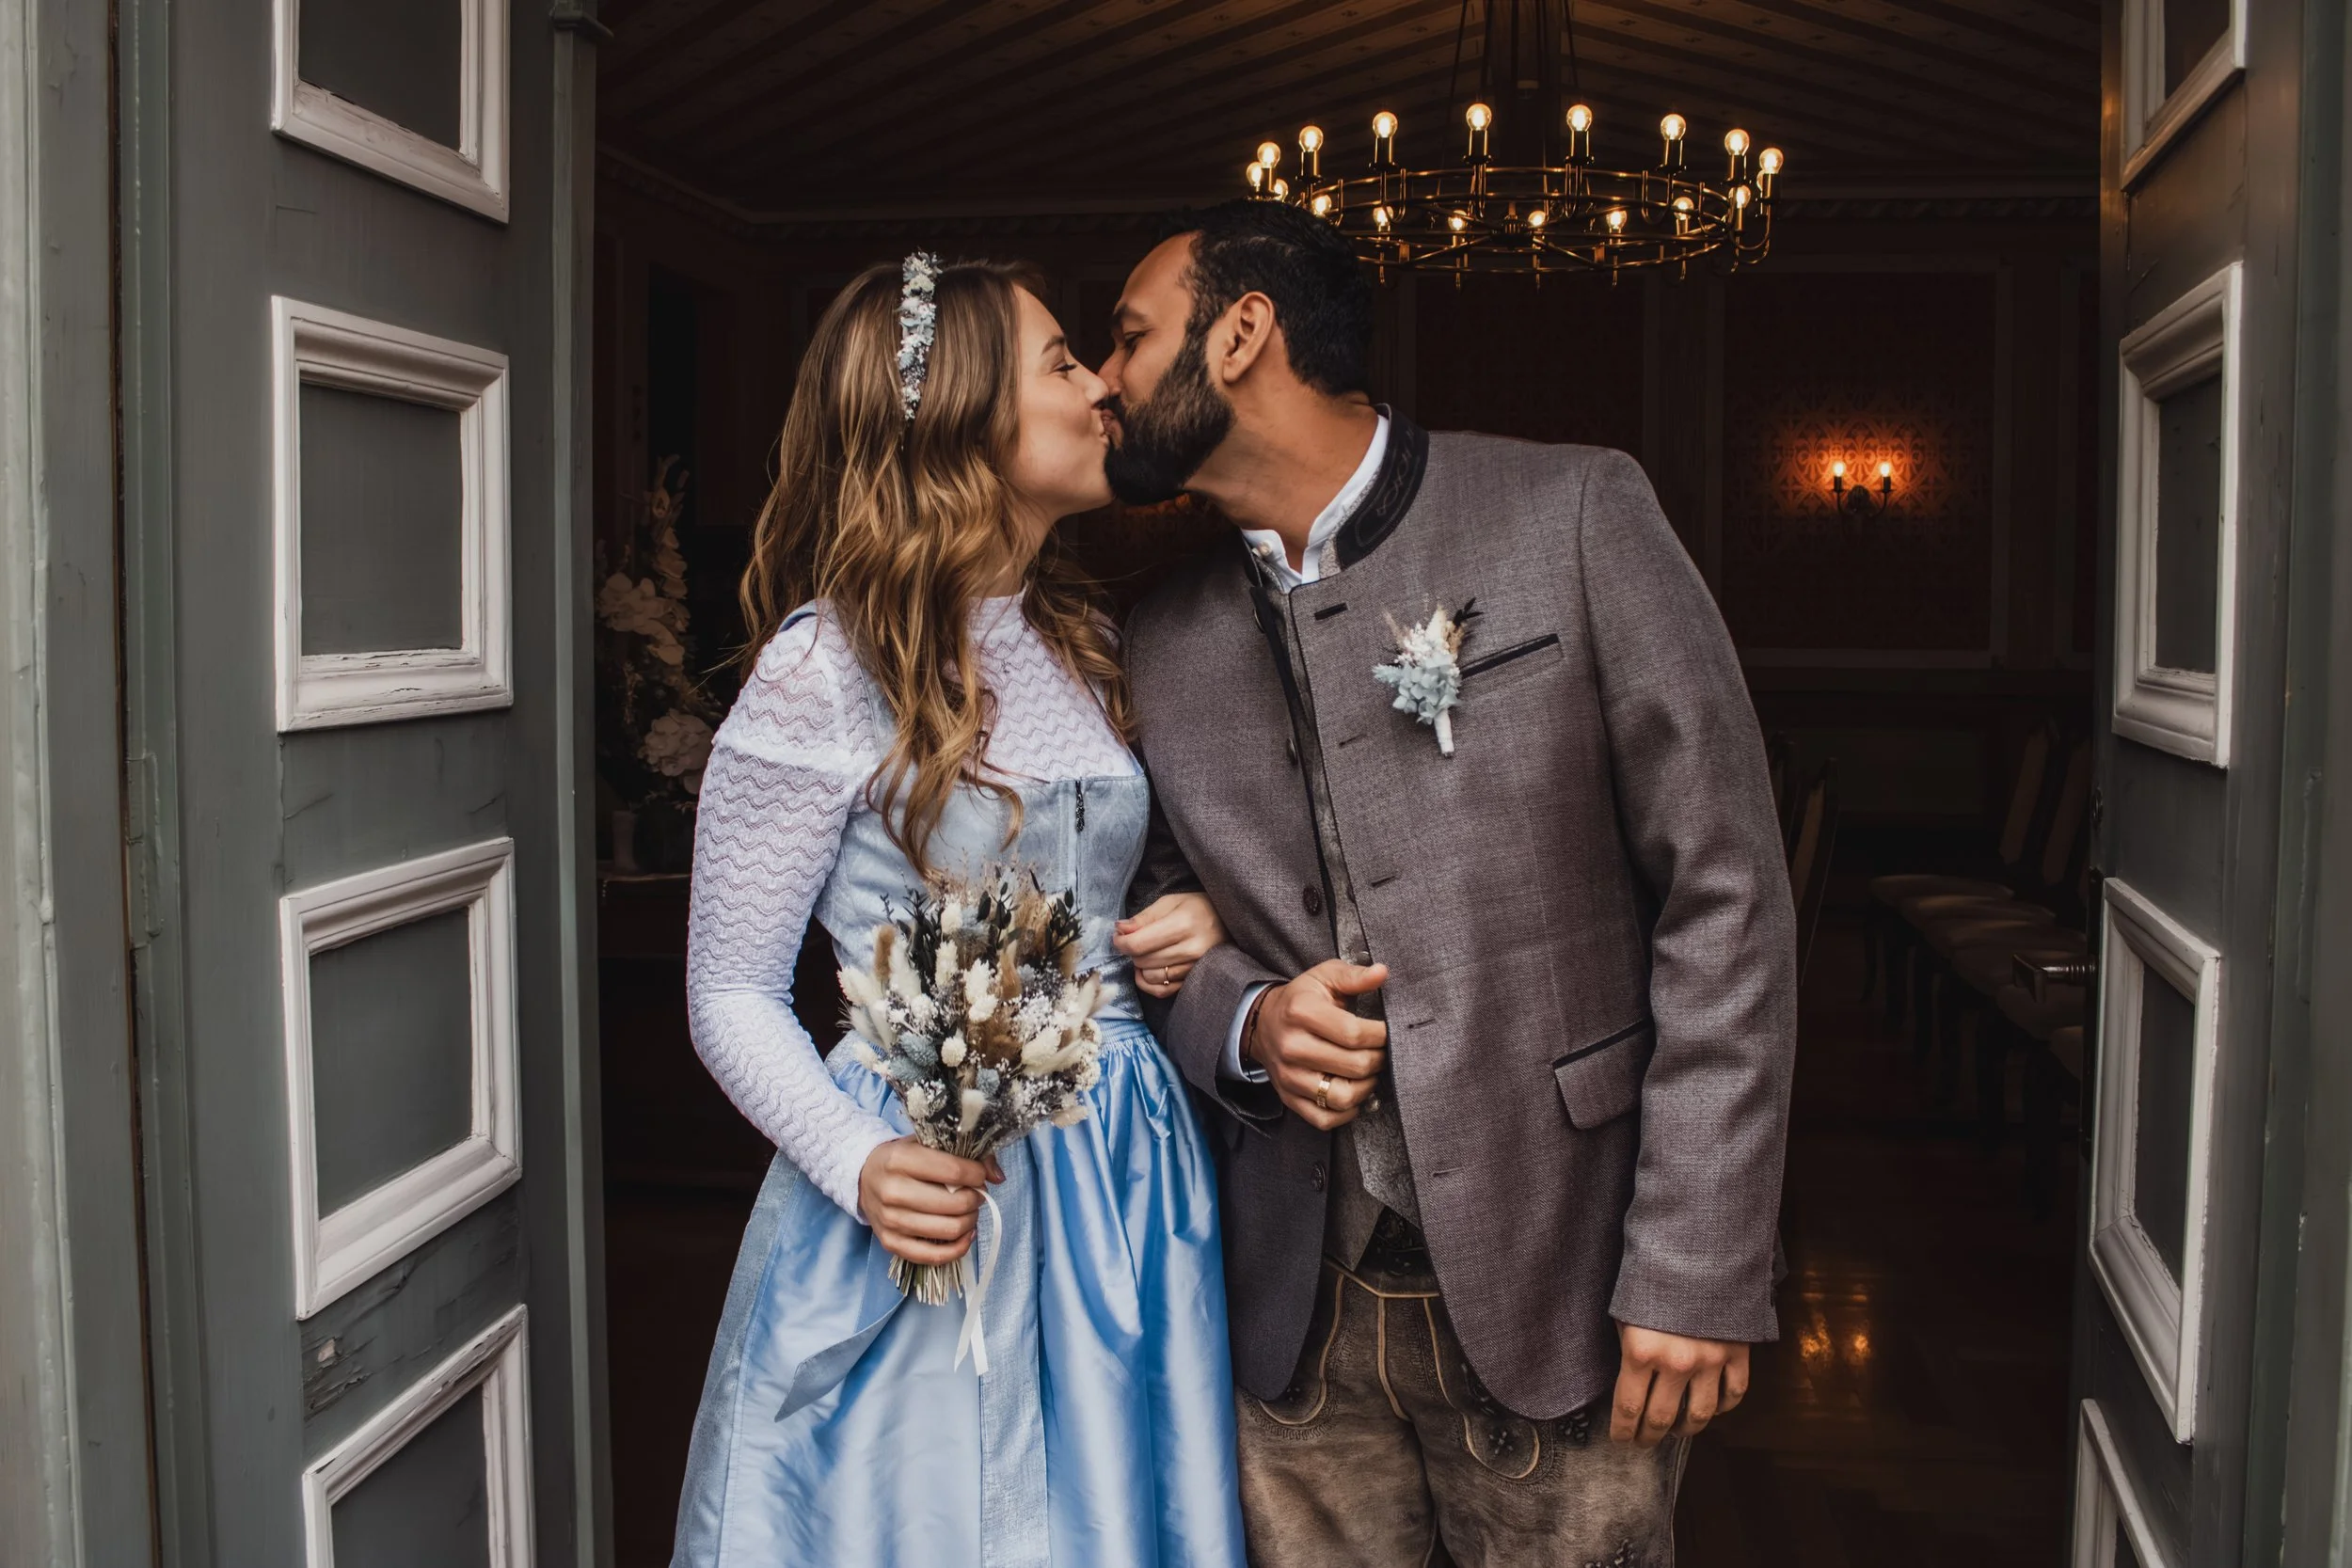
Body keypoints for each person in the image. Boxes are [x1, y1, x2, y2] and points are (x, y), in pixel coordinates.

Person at [1104, 200, 1799, 1567]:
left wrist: (1700, 1261)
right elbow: (1152, 921)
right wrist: (1247, 1021)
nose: (1105, 381)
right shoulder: (1156, 636)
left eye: (1130, 338)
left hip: (1570, 1284)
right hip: (1291, 1322)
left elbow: (1726, 894)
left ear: (1242, 333)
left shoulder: (1578, 508)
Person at [671, 255, 1248, 1567]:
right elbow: (729, 990)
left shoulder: (1086, 642)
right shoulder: (821, 668)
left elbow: (1111, 879)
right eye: (1061, 363)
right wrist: (857, 1160)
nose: (1104, 384)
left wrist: (1198, 916)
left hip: (1124, 1182)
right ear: (965, 420)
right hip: (930, 1175)